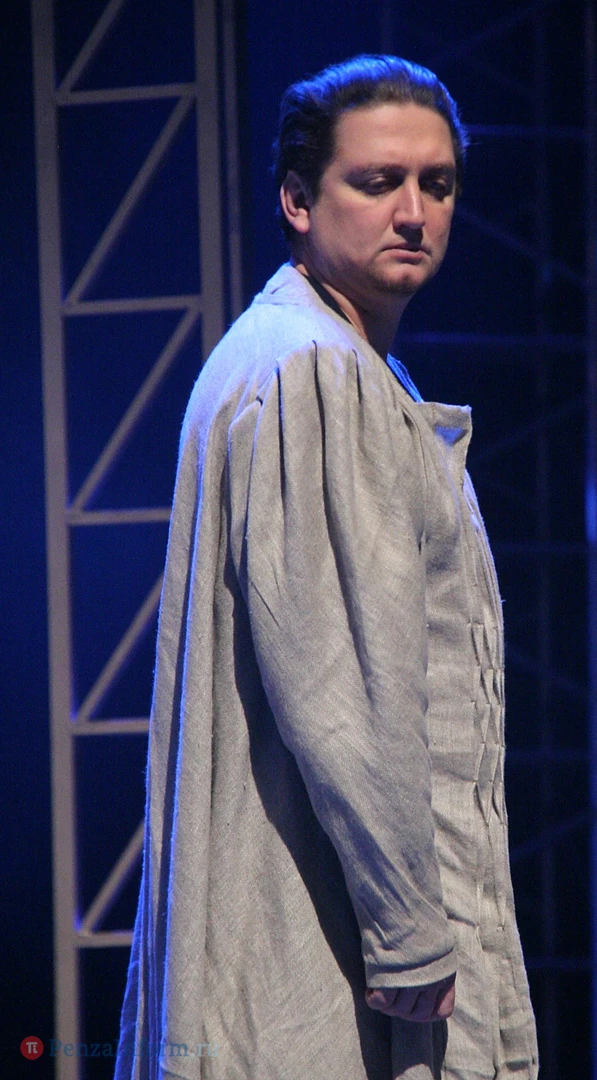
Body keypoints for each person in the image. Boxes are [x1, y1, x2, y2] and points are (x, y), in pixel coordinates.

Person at [114, 55, 538, 1080]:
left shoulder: (335, 361)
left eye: (436, 184)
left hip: (334, 919)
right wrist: (409, 931)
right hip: (327, 941)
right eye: (377, 181)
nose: (413, 212)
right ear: (297, 201)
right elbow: (339, 683)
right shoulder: (309, 368)